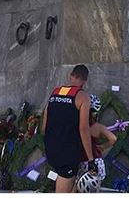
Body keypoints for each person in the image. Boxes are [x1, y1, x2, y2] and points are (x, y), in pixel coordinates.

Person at [41, 65, 96, 193]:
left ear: (70, 76)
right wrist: (90, 158)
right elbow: (84, 129)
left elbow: (44, 125)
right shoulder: (83, 97)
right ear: (84, 81)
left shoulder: (55, 92)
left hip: (51, 147)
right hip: (68, 151)